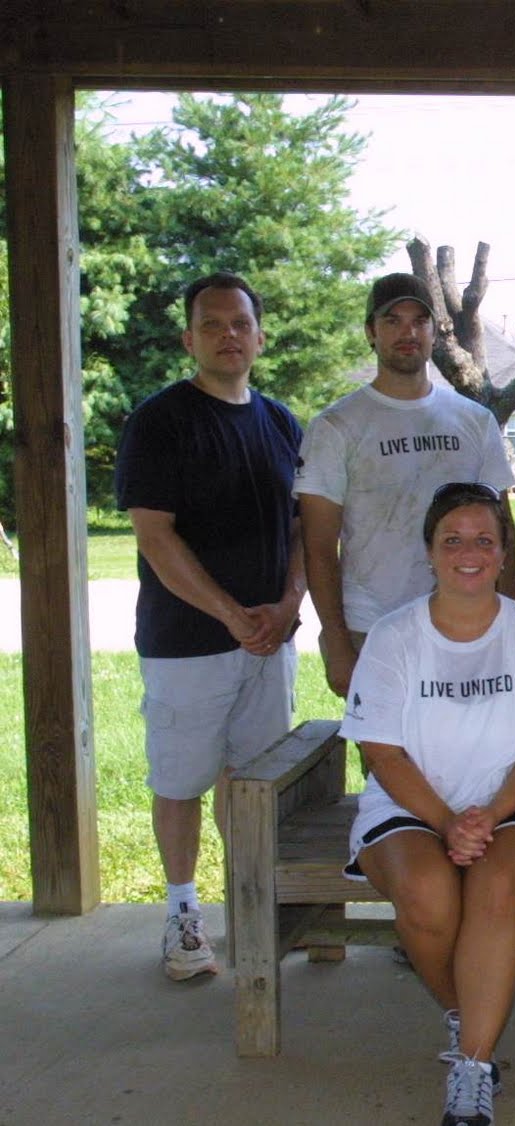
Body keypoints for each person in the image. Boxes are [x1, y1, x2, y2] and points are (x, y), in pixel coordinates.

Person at [341, 481, 515, 1126]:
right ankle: (469, 1014)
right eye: (452, 540)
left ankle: (472, 1066)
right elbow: (382, 753)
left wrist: (488, 817)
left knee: (495, 886)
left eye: (483, 540)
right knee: (428, 892)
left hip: (511, 806)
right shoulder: (393, 636)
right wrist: (446, 822)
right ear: (429, 552)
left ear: (503, 553)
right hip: (408, 804)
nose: (468, 554)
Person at [113, 272, 304, 982]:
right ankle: (183, 915)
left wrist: (288, 605)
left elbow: (303, 529)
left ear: (260, 336)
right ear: (188, 339)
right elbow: (155, 536)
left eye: (240, 323)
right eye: (212, 324)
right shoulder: (160, 422)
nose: (229, 335)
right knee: (182, 781)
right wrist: (230, 615)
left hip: (270, 642)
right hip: (186, 645)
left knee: (253, 786)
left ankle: (253, 910)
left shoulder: (281, 423)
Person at [296, 272, 515, 700]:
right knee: (384, 743)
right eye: (393, 320)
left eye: (420, 321)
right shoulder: (337, 426)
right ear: (371, 331)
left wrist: (506, 625)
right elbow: (319, 547)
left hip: (465, 623)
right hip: (372, 627)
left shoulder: (474, 420)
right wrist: (338, 644)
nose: (408, 333)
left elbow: (503, 533)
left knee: (470, 738)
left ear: (435, 332)